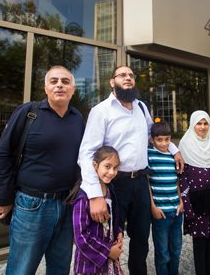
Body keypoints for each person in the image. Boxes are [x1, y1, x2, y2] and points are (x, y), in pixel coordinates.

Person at [78, 65, 184, 275]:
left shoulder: (141, 107)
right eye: (122, 75)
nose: (127, 78)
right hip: (114, 184)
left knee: (141, 239)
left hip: (141, 182)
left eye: (131, 75)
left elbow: (153, 138)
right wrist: (95, 195)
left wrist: (174, 149)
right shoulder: (101, 111)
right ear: (112, 82)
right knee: (107, 238)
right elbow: (87, 153)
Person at [0, 65, 85, 275]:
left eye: (65, 81)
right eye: (54, 81)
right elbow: (3, 154)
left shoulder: (77, 118)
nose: (59, 85)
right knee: (21, 269)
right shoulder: (28, 113)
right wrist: (4, 198)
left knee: (60, 268)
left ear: (72, 89)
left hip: (68, 204)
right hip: (32, 206)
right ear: (46, 88)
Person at [178, 110, 210, 275]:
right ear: (193, 125)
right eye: (199, 123)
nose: (202, 127)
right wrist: (187, 204)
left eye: (205, 123)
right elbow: (182, 178)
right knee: (199, 242)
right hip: (195, 201)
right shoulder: (185, 145)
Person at [72, 146, 124, 275]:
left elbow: (114, 219)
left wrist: (119, 232)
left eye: (115, 167)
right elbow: (81, 237)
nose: (112, 172)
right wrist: (108, 251)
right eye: (107, 166)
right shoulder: (83, 198)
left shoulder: (110, 191)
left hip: (109, 263)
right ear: (95, 165)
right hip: (89, 265)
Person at [147, 121, 184, 275]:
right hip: (160, 214)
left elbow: (177, 181)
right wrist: (152, 207)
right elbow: (147, 183)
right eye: (159, 140)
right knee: (163, 254)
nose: (164, 143)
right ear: (152, 140)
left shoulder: (173, 156)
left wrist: (181, 201)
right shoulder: (148, 155)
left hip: (176, 212)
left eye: (167, 139)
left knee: (175, 251)